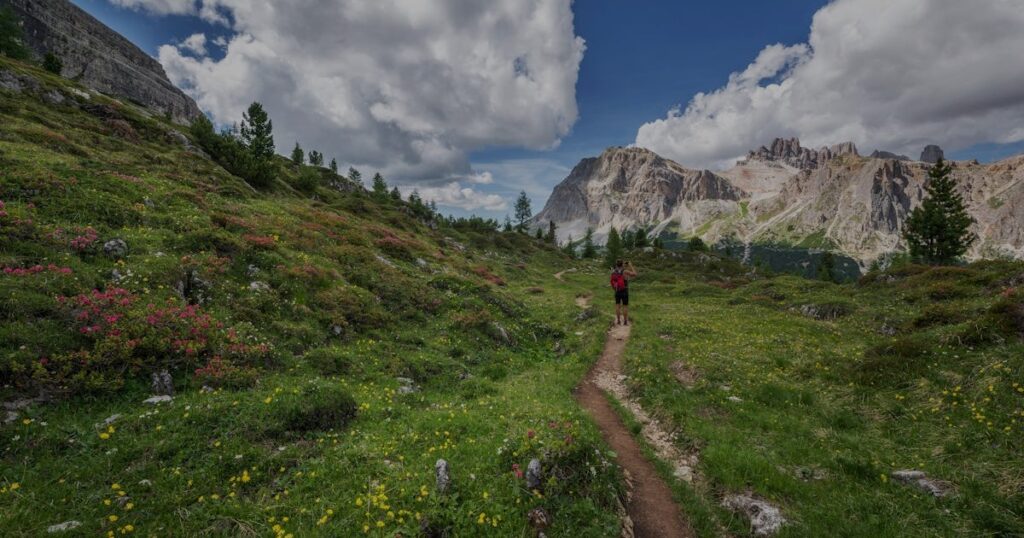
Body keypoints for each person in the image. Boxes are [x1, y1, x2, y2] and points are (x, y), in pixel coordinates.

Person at [610, 260, 637, 325]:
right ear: (622, 264)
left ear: (616, 265)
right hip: (624, 290)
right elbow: (635, 274)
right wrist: (630, 265)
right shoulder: (625, 271)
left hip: (617, 291)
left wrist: (622, 265)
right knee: (625, 306)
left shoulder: (614, 271)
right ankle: (625, 321)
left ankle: (618, 321)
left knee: (617, 306)